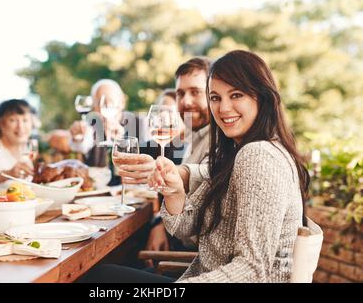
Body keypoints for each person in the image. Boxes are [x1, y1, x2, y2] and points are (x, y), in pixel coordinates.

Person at [85, 50, 309, 283]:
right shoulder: (235, 152)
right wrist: (174, 191)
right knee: (104, 274)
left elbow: (252, 269)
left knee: (99, 277)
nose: (223, 109)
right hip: (204, 274)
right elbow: (186, 226)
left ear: (262, 97)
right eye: (215, 97)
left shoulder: (259, 156)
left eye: (236, 95)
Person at [141, 58, 213, 265]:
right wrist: (159, 223)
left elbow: (206, 173)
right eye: (180, 93)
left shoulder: (222, 140)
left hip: (194, 265)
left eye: (195, 91)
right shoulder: (193, 136)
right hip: (181, 250)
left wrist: (178, 174)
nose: (186, 101)